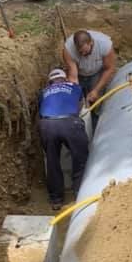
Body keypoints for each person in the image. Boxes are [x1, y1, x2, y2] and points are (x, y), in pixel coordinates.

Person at [38, 67, 89, 211]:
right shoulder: (74, 86)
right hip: (70, 123)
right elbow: (81, 106)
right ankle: (81, 194)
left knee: (52, 161)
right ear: (65, 79)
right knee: (80, 159)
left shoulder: (43, 92)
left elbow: (41, 110)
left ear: (50, 83)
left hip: (47, 125)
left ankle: (56, 199)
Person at [62, 29, 117, 113]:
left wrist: (96, 90)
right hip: (79, 73)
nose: (83, 54)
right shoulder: (68, 50)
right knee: (78, 100)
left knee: (96, 99)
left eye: (86, 51)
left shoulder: (104, 45)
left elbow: (109, 69)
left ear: (91, 42)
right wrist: (77, 96)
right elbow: (73, 76)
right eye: (80, 52)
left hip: (97, 72)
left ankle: (96, 116)